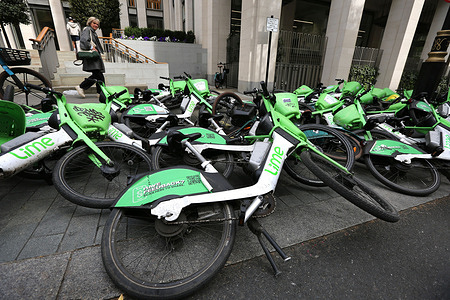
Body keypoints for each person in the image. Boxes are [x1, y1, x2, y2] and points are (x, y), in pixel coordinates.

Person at [75, 17, 105, 98]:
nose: (96, 25)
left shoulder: (92, 31)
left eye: (97, 24)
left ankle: (100, 93)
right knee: (97, 75)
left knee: (98, 75)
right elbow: (84, 40)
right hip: (91, 56)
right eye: (94, 23)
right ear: (89, 23)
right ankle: (81, 86)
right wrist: (91, 47)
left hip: (94, 56)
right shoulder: (87, 30)